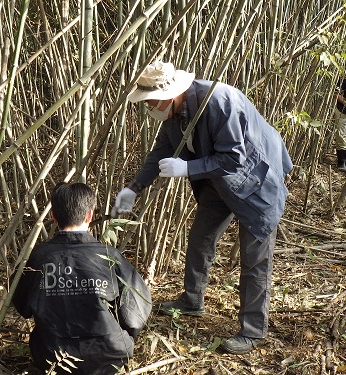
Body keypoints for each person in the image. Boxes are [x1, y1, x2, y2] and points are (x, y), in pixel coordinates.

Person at [111, 61, 293, 355]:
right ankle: (192, 300)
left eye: (149, 103)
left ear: (169, 96)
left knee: (254, 257)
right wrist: (134, 188)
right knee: (200, 239)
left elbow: (235, 158)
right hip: (217, 182)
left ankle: (252, 330)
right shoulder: (172, 113)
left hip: (257, 178)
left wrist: (187, 168)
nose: (148, 109)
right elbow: (161, 151)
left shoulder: (220, 102)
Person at [11, 182, 152, 374]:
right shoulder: (109, 256)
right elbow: (136, 312)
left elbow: (22, 305)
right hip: (109, 355)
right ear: (89, 215)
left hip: (51, 356)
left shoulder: (39, 257)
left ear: (53, 216)